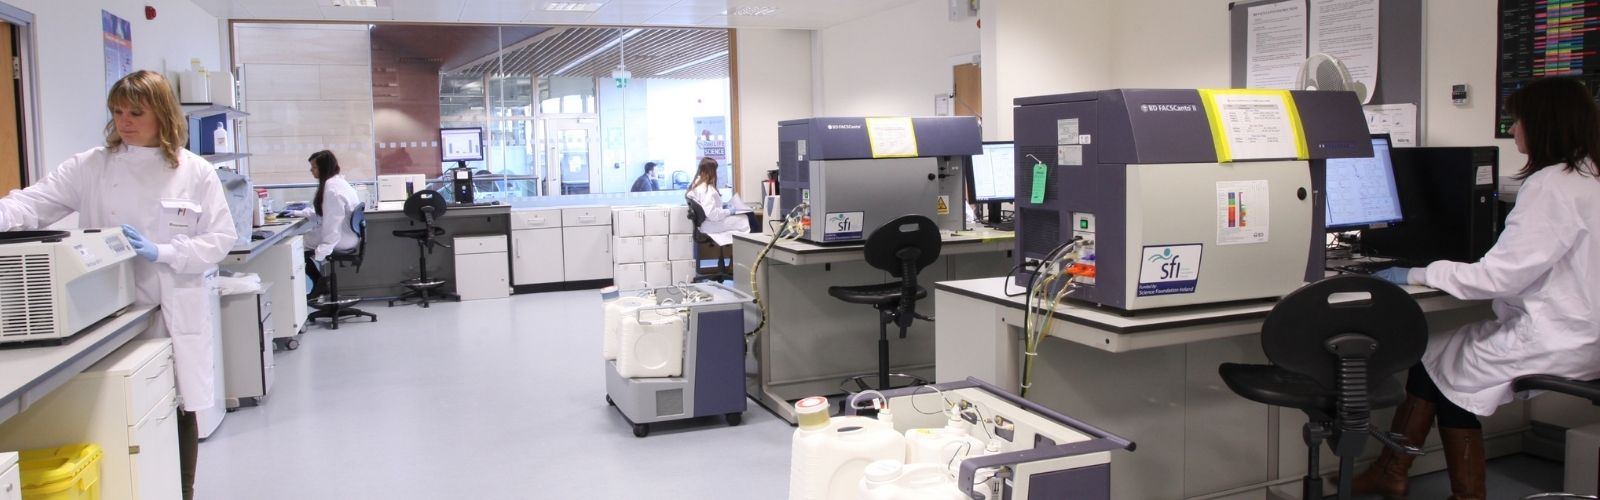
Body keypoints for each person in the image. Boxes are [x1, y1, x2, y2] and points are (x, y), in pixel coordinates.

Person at [1360, 76, 1600, 499]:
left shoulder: (1551, 187)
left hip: (1556, 338)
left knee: (1449, 371)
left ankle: (1457, 492)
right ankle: (1391, 471)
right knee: (1435, 354)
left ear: (1544, 125)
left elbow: (1496, 278)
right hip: (1584, 336)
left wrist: (1416, 272)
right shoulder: (1587, 177)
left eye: (1518, 121)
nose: (1513, 130)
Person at [0, 70, 236, 500]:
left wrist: (162, 252)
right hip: (110, 316)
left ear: (162, 114)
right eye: (117, 112)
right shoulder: (91, 166)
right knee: (120, 411)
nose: (124, 121)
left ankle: (183, 491)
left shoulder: (195, 172)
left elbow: (220, 241)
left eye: (135, 112)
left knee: (180, 405)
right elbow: (31, 205)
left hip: (171, 310)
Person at [286, 150, 360, 298]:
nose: (311, 171)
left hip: (341, 238)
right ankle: (320, 283)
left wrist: (322, 251)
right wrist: (297, 213)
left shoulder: (332, 189)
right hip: (349, 235)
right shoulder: (337, 183)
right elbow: (325, 214)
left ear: (323, 168)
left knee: (296, 246)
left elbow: (332, 224)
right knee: (302, 242)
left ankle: (319, 282)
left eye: (314, 167)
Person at [684, 157, 750, 246]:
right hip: (711, 224)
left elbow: (707, 207)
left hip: (707, 224)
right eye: (715, 170)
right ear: (711, 172)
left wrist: (723, 205)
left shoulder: (696, 186)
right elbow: (713, 215)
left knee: (746, 218)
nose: (716, 174)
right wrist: (729, 211)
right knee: (748, 219)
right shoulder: (706, 190)